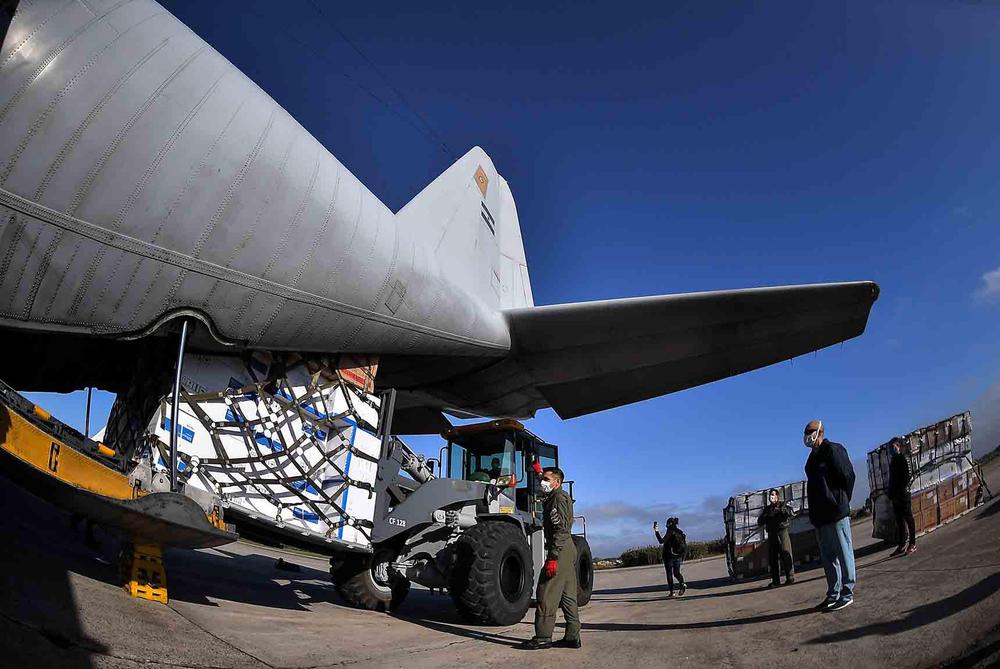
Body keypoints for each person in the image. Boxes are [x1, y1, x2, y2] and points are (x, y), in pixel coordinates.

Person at [520, 466, 581, 650]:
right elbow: (546, 477)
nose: (542, 483)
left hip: (560, 549)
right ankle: (572, 636)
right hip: (567, 549)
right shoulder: (556, 496)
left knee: (546, 591)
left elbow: (561, 530)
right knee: (568, 595)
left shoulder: (558, 499)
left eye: (546, 479)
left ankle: (543, 637)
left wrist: (553, 557)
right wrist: (539, 470)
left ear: (557, 482)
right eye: (542, 479)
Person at [804, 419, 857, 612]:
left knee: (844, 552)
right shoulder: (811, 460)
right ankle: (833, 594)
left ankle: (847, 592)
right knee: (828, 557)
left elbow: (848, 476)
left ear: (819, 432)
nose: (806, 436)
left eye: (809, 431)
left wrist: (841, 500)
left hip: (836, 512)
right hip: (820, 515)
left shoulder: (833, 450)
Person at [757, 489, 796, 587]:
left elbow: (790, 513)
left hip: (782, 532)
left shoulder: (783, 505)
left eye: (774, 495)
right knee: (773, 558)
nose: (772, 497)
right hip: (771, 534)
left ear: (778, 496)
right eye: (771, 495)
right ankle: (776, 580)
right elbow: (760, 521)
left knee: (786, 554)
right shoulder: (767, 509)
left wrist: (780, 510)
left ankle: (790, 577)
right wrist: (767, 515)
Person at [887, 437, 917, 557]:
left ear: (898, 446)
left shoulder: (904, 458)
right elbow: (892, 480)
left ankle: (913, 543)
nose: (891, 450)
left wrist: (900, 491)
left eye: (892, 447)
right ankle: (901, 545)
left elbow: (908, 476)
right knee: (899, 521)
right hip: (895, 496)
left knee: (908, 518)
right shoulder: (893, 461)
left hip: (903, 494)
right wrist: (891, 493)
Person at [653, 517, 687, 596]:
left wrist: (656, 531)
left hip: (669, 557)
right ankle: (682, 584)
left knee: (669, 574)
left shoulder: (670, 531)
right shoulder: (680, 531)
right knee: (677, 573)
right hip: (678, 556)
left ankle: (672, 592)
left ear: (669, 524)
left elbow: (661, 541)